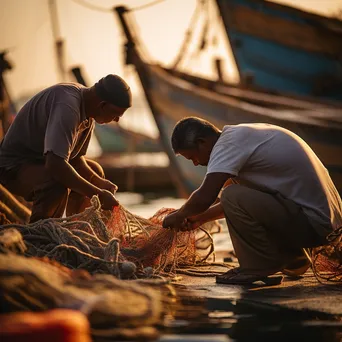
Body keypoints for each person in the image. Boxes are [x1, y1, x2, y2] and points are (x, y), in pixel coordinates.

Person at [162, 117, 342, 285]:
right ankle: (295, 259)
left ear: (202, 142)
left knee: (230, 193)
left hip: (316, 225)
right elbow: (243, 204)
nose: (195, 163)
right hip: (322, 225)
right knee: (233, 194)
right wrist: (200, 219)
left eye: (192, 157)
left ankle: (258, 267)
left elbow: (206, 196)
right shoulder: (241, 137)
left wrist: (180, 215)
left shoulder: (227, 145)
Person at [0, 74, 132, 222]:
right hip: (12, 167)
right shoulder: (68, 107)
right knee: (55, 182)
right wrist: (99, 195)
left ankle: (77, 228)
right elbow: (55, 165)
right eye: (115, 114)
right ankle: (42, 235)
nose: (117, 120)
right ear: (102, 105)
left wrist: (97, 181)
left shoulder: (89, 111)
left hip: (40, 162)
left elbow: (75, 159)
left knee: (95, 171)